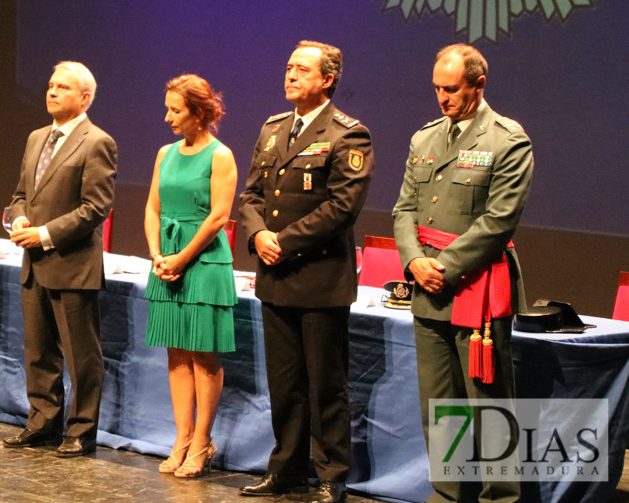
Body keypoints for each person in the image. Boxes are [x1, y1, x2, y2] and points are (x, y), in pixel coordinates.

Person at [392, 44, 533, 503]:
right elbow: (404, 209)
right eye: (436, 88)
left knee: (489, 404)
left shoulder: (507, 139)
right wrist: (414, 262)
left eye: (451, 89)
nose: (442, 98)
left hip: (477, 286)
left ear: (479, 85)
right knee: (440, 404)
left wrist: (444, 269)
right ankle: (449, 494)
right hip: (428, 287)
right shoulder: (425, 139)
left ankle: (500, 496)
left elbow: (499, 221)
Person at [237, 41, 372, 503]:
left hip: (319, 279)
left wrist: (283, 242)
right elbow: (251, 196)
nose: (290, 75)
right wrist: (257, 237)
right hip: (275, 277)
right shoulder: (273, 130)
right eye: (289, 66)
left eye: (301, 69)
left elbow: (342, 207)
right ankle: (286, 469)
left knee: (325, 384)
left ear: (327, 79)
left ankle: (332, 474)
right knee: (285, 383)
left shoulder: (348, 134)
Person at [3, 61, 117, 458]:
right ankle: (42, 422)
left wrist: (45, 234)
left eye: (63, 87)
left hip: (71, 265)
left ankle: (81, 431)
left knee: (81, 356)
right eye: (50, 85)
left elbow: (95, 208)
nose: (51, 92)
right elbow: (21, 194)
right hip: (33, 263)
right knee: (38, 351)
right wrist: (19, 219)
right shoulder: (36, 138)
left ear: (84, 98)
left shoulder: (96, 141)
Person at [144, 75, 238, 478]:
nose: (168, 117)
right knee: (176, 352)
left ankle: (202, 441)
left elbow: (219, 216)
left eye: (175, 110)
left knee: (203, 354)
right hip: (167, 261)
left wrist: (181, 257)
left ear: (199, 114)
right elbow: (152, 208)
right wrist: (156, 254)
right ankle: (181, 438)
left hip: (203, 262)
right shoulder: (165, 153)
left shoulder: (220, 156)